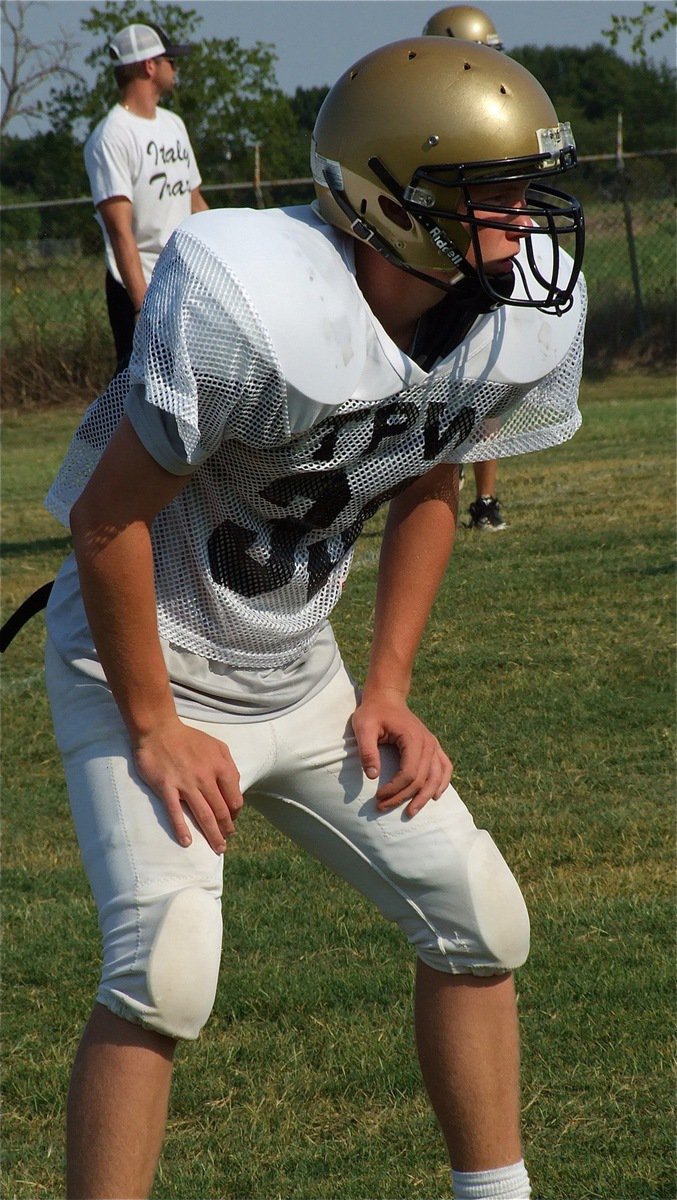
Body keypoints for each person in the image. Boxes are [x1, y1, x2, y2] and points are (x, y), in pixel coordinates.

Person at [43, 35, 585, 1200]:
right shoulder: (254, 307)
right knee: (166, 975)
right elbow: (103, 523)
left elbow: (431, 479)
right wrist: (151, 724)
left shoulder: (474, 317)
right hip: (152, 664)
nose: (523, 223)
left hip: (300, 673)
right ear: (390, 205)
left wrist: (384, 686)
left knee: (480, 923)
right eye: (487, 197)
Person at [423, 5, 510, 531]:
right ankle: (435, 486)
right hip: (444, 255)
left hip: (485, 255)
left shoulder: (498, 112)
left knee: (489, 378)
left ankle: (483, 498)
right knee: (439, 379)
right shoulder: (431, 117)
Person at [84, 22, 208, 370]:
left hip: (184, 280)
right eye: (170, 59)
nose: (176, 68)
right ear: (149, 66)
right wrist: (142, 306)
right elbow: (120, 231)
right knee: (138, 397)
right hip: (140, 290)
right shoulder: (112, 136)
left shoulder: (173, 125)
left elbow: (195, 203)